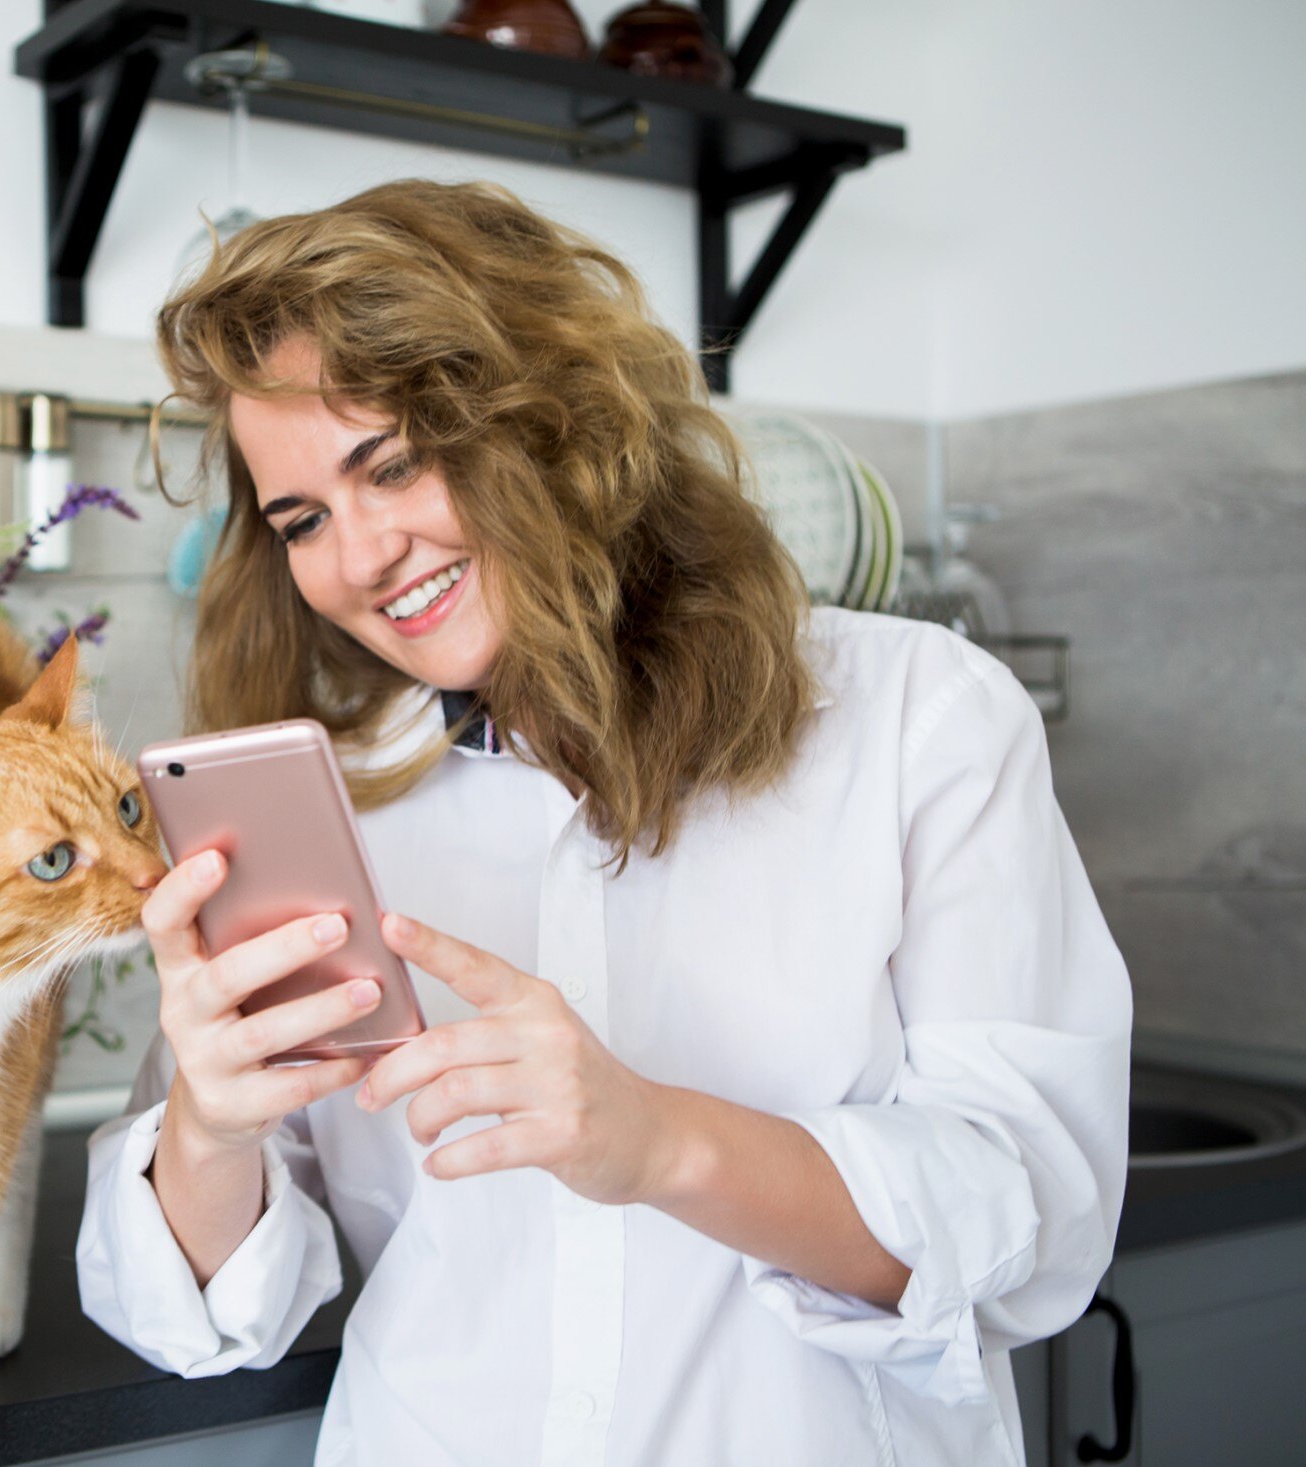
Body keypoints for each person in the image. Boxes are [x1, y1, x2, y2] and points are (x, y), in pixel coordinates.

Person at [76, 179, 1130, 1467]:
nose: (358, 559)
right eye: (303, 519)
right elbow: (200, 1320)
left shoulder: (920, 718)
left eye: (394, 463)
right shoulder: (332, 804)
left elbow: (1034, 1222)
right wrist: (211, 1123)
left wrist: (658, 1140)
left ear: (558, 418)